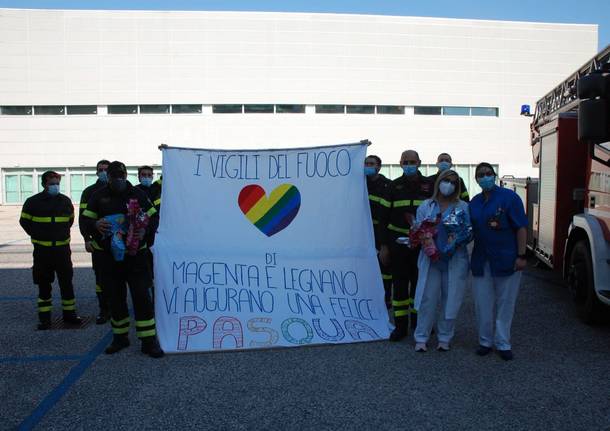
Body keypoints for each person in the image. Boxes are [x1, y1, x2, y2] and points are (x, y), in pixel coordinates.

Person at [82, 161, 164, 358]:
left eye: (121, 176)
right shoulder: (98, 196)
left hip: (136, 257)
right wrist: (94, 225)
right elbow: (85, 219)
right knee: (115, 299)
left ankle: (148, 341)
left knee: (142, 297)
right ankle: (120, 338)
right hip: (109, 258)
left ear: (126, 175)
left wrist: (144, 231)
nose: (118, 180)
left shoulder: (138, 194)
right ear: (108, 177)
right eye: (114, 177)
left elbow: (154, 217)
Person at [469, 162, 528, 361]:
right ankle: (485, 341)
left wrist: (521, 256)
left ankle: (503, 342)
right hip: (481, 259)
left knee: (505, 303)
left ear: (494, 175)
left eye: (488, 173)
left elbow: (521, 228)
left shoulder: (510, 198)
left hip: (507, 258)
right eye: (480, 174)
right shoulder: (474, 202)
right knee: (482, 303)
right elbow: (468, 231)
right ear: (476, 179)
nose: (484, 177)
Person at [412, 170, 472, 352]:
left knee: (451, 298)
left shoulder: (463, 206)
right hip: (431, 260)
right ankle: (421, 337)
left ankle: (445, 337)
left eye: (453, 182)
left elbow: (469, 232)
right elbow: (417, 230)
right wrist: (424, 240)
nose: (449, 185)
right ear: (438, 181)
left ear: (458, 186)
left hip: (454, 260)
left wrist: (457, 241)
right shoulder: (426, 205)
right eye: (446, 180)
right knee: (427, 299)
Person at [379, 150, 433, 341]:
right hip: (398, 245)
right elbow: (383, 218)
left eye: (412, 161)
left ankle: (419, 324)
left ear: (419, 163)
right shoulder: (393, 186)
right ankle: (400, 327)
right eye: (405, 161)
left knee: (420, 285)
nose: (409, 164)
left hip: (422, 247)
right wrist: (384, 246)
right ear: (400, 163)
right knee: (400, 286)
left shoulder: (430, 185)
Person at [19, 171, 82, 330]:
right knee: (44, 285)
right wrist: (39, 234)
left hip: (62, 251)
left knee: (66, 283)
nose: (55, 186)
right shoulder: (32, 202)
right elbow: (24, 222)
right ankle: (45, 319)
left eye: (57, 183)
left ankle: (70, 315)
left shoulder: (65, 201)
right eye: (51, 183)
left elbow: (69, 221)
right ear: (44, 184)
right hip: (42, 252)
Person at [79, 159, 111, 324]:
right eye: (101, 169)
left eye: (106, 169)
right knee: (100, 279)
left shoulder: (122, 189)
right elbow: (83, 218)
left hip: (119, 244)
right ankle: (104, 310)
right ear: (97, 172)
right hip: (98, 243)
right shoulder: (89, 192)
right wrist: (87, 238)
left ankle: (117, 307)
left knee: (119, 277)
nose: (104, 172)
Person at [364, 155, 393, 308]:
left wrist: (384, 243)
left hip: (380, 233)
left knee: (384, 268)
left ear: (379, 167)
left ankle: (385, 298)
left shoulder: (387, 186)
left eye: (371, 164)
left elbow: (387, 215)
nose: (368, 166)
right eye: (366, 163)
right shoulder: (358, 184)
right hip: (361, 234)